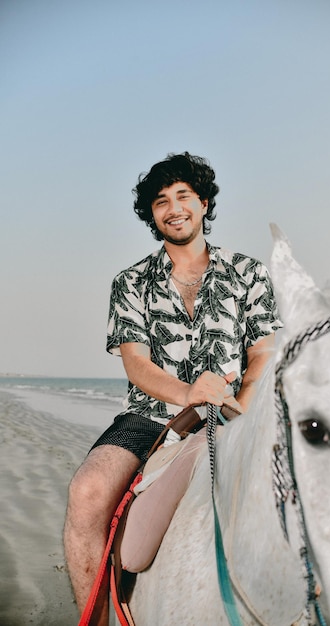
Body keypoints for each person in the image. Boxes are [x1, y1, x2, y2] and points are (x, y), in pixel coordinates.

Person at [63, 152, 283, 625]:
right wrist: (188, 394)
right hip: (149, 416)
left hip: (234, 414)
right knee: (87, 491)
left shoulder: (249, 274)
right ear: (152, 215)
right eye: (161, 201)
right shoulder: (130, 283)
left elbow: (263, 354)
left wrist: (236, 409)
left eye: (183, 196)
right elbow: (137, 365)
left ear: (203, 204)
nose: (174, 207)